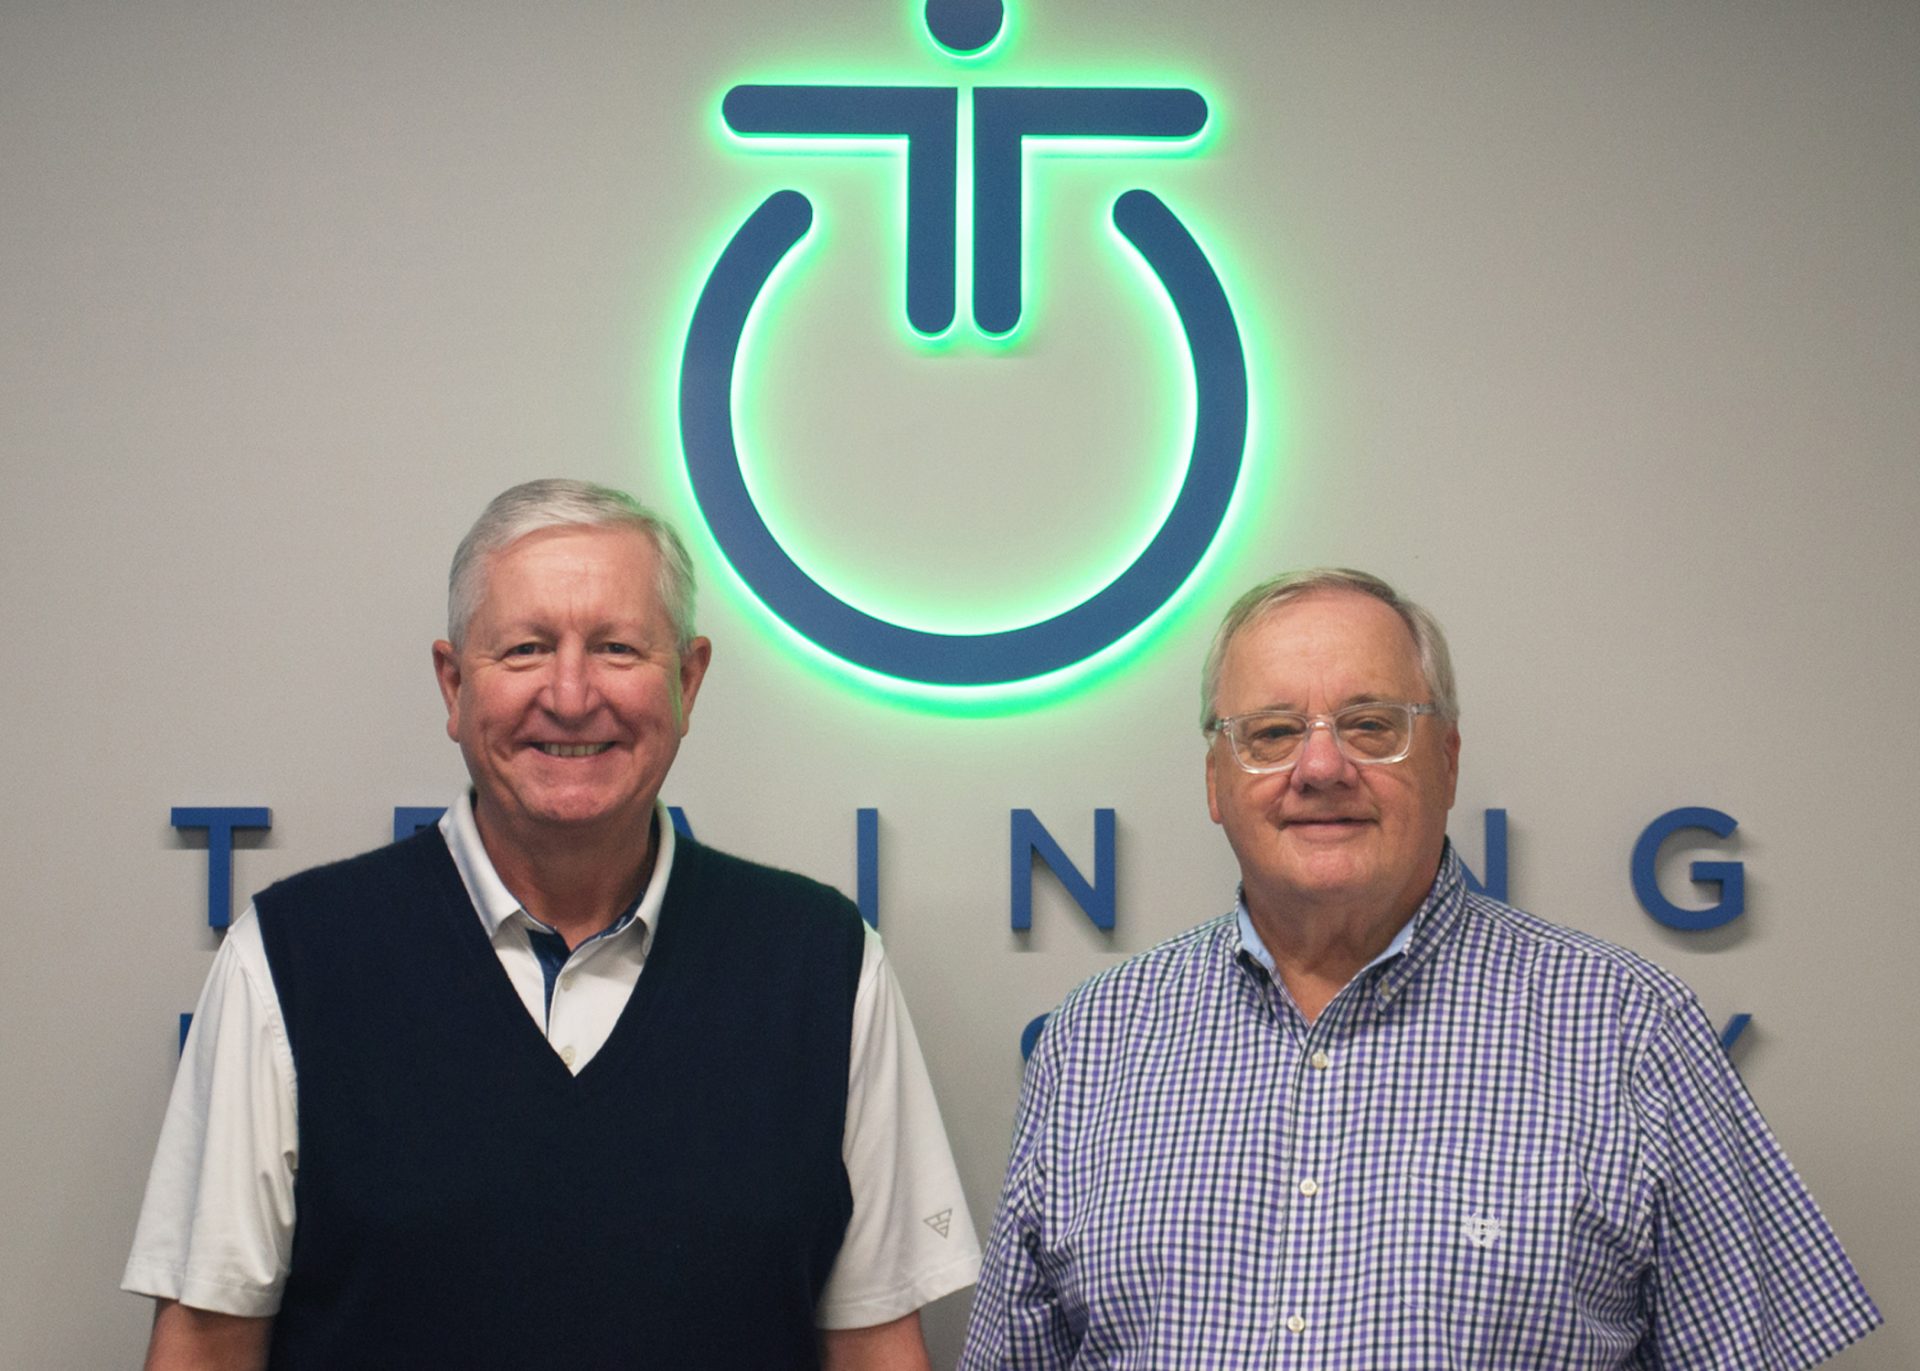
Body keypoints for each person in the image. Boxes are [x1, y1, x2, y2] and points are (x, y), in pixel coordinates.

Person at [125, 479, 980, 1370]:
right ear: (454, 686)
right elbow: (206, 1347)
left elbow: (876, 1347)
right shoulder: (292, 959)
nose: (571, 697)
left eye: (616, 647)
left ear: (688, 681)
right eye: (527, 649)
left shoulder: (824, 964)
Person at [960, 568, 1880, 1369]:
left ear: (1446, 759)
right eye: (1273, 731)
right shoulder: (1096, 1040)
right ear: (1215, 780)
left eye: (1371, 724)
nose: (1321, 765)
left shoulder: (1630, 1030)